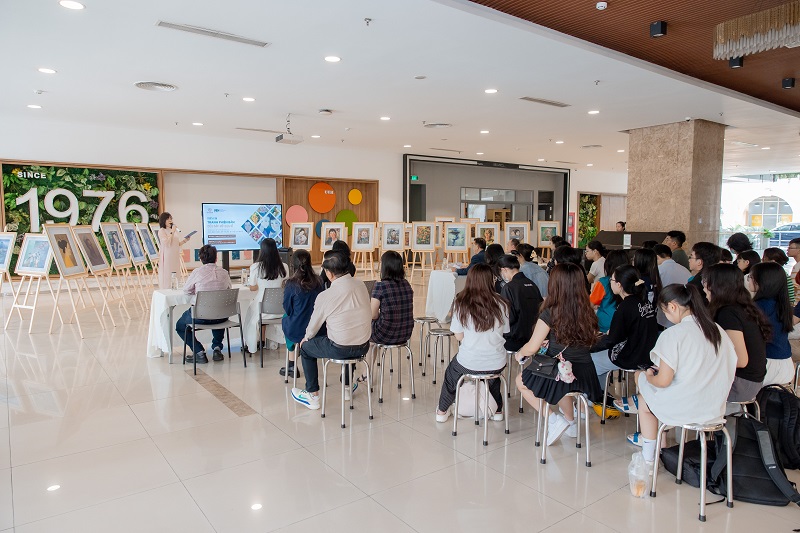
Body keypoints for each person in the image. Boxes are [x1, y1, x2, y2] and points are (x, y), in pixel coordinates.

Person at [624, 284, 737, 467]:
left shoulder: (674, 334)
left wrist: (647, 376)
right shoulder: (717, 330)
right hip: (715, 409)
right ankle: (656, 445)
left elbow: (662, 381)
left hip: (685, 408)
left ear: (673, 306)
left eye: (664, 311)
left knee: (642, 389)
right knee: (648, 387)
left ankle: (648, 459)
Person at [515, 263, 603, 445]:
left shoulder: (551, 312)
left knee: (520, 382)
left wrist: (520, 353)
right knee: (563, 385)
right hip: (585, 373)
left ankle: (554, 420)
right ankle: (571, 423)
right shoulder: (588, 311)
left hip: (561, 371)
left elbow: (532, 348)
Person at [291, 252, 372, 409]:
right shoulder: (360, 284)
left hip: (340, 349)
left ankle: (312, 395)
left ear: (329, 273)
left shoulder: (326, 295)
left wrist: (305, 339)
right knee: (352, 337)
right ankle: (347, 388)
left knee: (306, 349)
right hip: (363, 346)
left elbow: (313, 327)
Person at [435, 264, 509, 422]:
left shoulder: (461, 302)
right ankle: (498, 411)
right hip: (497, 361)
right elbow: (505, 332)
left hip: (469, 361)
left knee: (451, 375)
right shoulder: (502, 303)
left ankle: (442, 411)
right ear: (491, 281)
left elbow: (459, 336)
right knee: (492, 376)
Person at [593, 265, 659, 428]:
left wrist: (588, 346)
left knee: (590, 360)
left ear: (620, 285)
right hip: (647, 353)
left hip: (630, 356)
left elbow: (612, 340)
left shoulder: (625, 307)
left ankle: (597, 399)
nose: (610, 282)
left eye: (612, 280)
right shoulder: (644, 301)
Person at [704, 263, 768, 402]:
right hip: (750, 381)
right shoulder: (742, 306)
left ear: (716, 285)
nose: (704, 288)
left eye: (706, 283)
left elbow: (740, 360)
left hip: (741, 384)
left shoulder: (728, 313)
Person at [362, 251, 414, 380]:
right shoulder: (407, 284)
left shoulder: (380, 286)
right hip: (405, 332)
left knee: (370, 336)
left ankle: (366, 373)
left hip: (385, 333)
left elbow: (373, 314)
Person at [176, 245, 232, 363]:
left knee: (180, 326)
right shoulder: (224, 273)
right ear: (216, 258)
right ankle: (217, 348)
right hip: (221, 316)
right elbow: (228, 289)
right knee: (218, 312)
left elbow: (186, 290)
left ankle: (199, 352)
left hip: (200, 316)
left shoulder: (197, 272)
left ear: (200, 259)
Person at [279, 250, 324, 378]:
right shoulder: (319, 281)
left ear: (293, 264)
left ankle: (292, 363)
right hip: (318, 328)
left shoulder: (291, 284)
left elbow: (287, 309)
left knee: (286, 319)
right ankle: (294, 359)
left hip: (298, 329)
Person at [750, 262, 795, 385]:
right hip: (786, 365)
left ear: (761, 281)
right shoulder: (782, 304)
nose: (748, 280)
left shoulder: (759, 306)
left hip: (767, 366)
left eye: (751, 277)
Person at [244, 238, 288, 353]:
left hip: (262, 308)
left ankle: (252, 343)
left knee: (251, 311)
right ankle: (263, 341)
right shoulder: (284, 267)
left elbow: (252, 287)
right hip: (280, 308)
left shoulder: (256, 267)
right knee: (256, 311)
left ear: (261, 250)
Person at [498, 254, 543, 352]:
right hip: (533, 337)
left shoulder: (508, 288)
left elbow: (508, 318)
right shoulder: (532, 284)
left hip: (514, 339)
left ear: (504, 270)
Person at [590, 249, 631, 333]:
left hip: (606, 325)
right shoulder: (632, 280)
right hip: (627, 322)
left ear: (608, 264)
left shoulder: (603, 282)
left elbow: (591, 304)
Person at [157, 212, 191, 289]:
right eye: (168, 219)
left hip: (175, 255)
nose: (170, 220)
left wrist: (185, 240)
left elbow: (176, 244)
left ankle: (175, 288)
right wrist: (172, 231)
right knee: (168, 274)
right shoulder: (162, 231)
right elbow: (166, 242)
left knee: (175, 273)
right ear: (163, 220)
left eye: (171, 219)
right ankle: (167, 289)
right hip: (167, 256)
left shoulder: (173, 230)